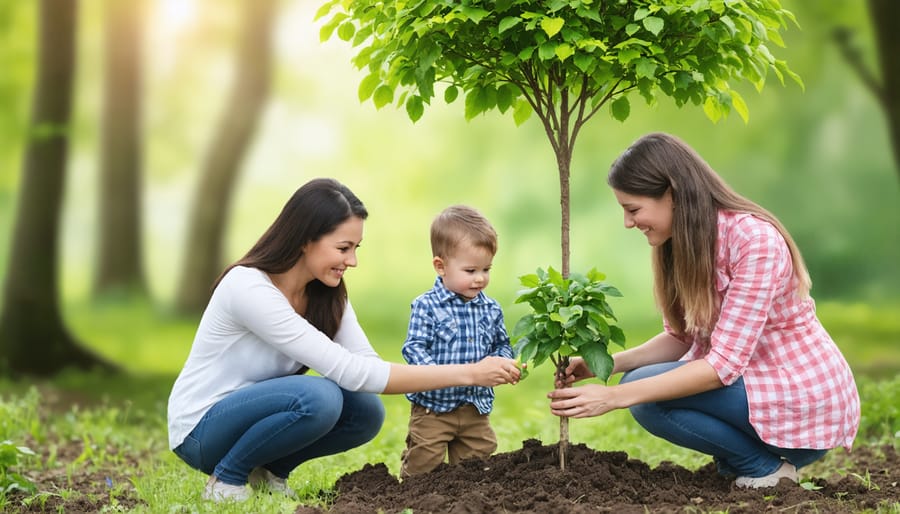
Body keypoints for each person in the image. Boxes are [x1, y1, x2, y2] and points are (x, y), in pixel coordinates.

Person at [166, 178, 520, 503]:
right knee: (319, 396)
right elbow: (349, 371)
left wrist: (473, 371)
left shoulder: (326, 293)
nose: (352, 261)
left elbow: (366, 363)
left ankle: (271, 472)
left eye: (356, 248)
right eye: (344, 247)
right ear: (306, 239)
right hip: (201, 430)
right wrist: (470, 373)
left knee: (364, 411)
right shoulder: (248, 287)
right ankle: (226, 479)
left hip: (253, 421)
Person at [547, 132, 860, 488]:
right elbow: (680, 338)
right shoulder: (678, 244)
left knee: (642, 394)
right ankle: (753, 465)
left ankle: (763, 468)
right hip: (749, 388)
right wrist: (603, 365)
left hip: (798, 397)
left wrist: (613, 397)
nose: (628, 223)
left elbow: (721, 367)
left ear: (673, 194)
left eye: (633, 209)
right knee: (641, 387)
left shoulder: (755, 241)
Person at [399, 205, 514, 478]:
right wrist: (439, 375)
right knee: (423, 464)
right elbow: (414, 348)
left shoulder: (491, 309)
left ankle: (463, 500)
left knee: (476, 465)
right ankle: (415, 496)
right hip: (433, 409)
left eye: (486, 269)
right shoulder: (427, 306)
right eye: (471, 270)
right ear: (441, 266)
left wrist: (503, 362)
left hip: (475, 407)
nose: (480, 278)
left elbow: (501, 343)